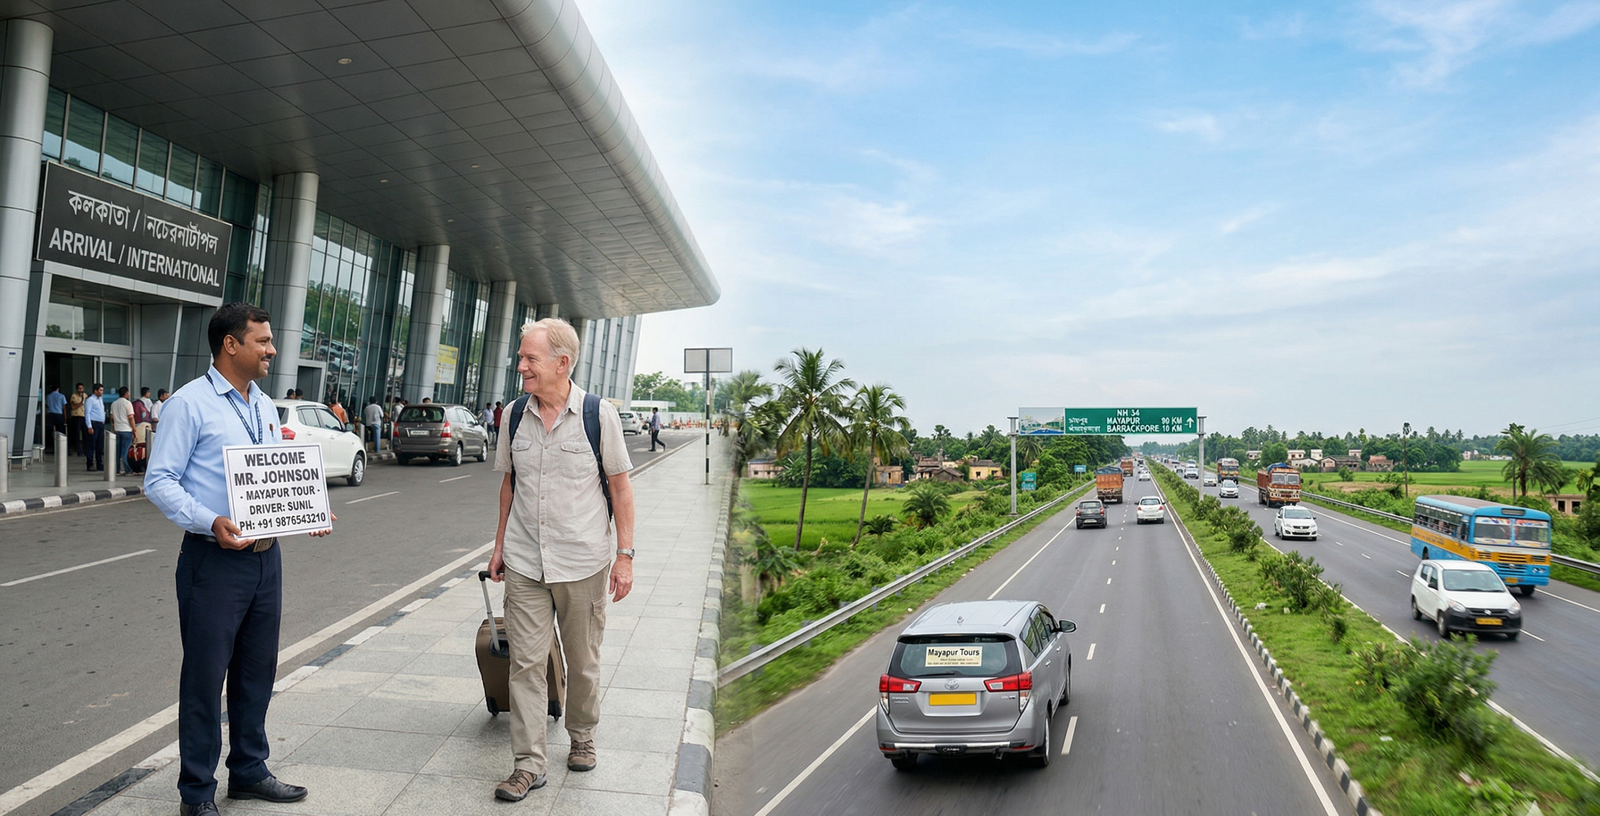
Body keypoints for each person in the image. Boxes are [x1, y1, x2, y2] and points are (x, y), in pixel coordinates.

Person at [145, 303, 330, 816]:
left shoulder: (264, 405)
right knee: (205, 680)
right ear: (231, 345)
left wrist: (305, 506)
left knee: (256, 672)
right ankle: (196, 793)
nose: (272, 349)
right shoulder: (190, 404)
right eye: (262, 341)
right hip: (213, 561)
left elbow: (270, 476)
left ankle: (248, 770)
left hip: (266, 560)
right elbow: (159, 481)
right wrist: (210, 521)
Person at [488, 317, 635, 802]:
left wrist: (624, 556)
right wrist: (500, 546)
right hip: (526, 562)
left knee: (583, 660)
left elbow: (620, 488)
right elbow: (509, 483)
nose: (521, 366)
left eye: (530, 358)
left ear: (562, 362)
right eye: (521, 357)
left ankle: (582, 735)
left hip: (583, 561)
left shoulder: (598, 415)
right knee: (525, 665)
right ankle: (528, 764)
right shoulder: (514, 414)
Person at [110, 386, 135, 476]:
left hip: (117, 429)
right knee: (125, 451)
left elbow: (111, 417)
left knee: (117, 451)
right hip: (126, 429)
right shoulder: (128, 403)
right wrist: (134, 429)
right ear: (126, 393)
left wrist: (114, 425)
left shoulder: (114, 404)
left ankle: (117, 470)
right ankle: (127, 470)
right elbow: (131, 417)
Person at [84, 383, 106, 471]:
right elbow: (87, 413)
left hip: (100, 423)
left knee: (99, 445)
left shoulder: (100, 399)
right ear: (95, 391)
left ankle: (99, 463)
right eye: (100, 390)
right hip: (93, 423)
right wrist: (89, 426)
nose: (102, 392)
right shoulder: (90, 400)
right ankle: (90, 463)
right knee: (91, 444)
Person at [44, 384, 65, 453]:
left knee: (50, 431)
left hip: (50, 414)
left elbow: (46, 406)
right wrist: (65, 417)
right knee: (60, 432)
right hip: (59, 414)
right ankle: (60, 447)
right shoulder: (61, 396)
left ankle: (50, 446)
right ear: (58, 389)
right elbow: (64, 407)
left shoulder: (48, 396)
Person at [68, 383, 86, 456]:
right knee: (77, 434)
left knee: (85, 434)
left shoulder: (85, 396)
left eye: (81, 388)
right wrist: (80, 403)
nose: (80, 390)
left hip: (83, 416)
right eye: (79, 388)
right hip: (76, 416)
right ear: (77, 389)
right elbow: (73, 407)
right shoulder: (74, 396)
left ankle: (85, 450)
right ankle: (79, 450)